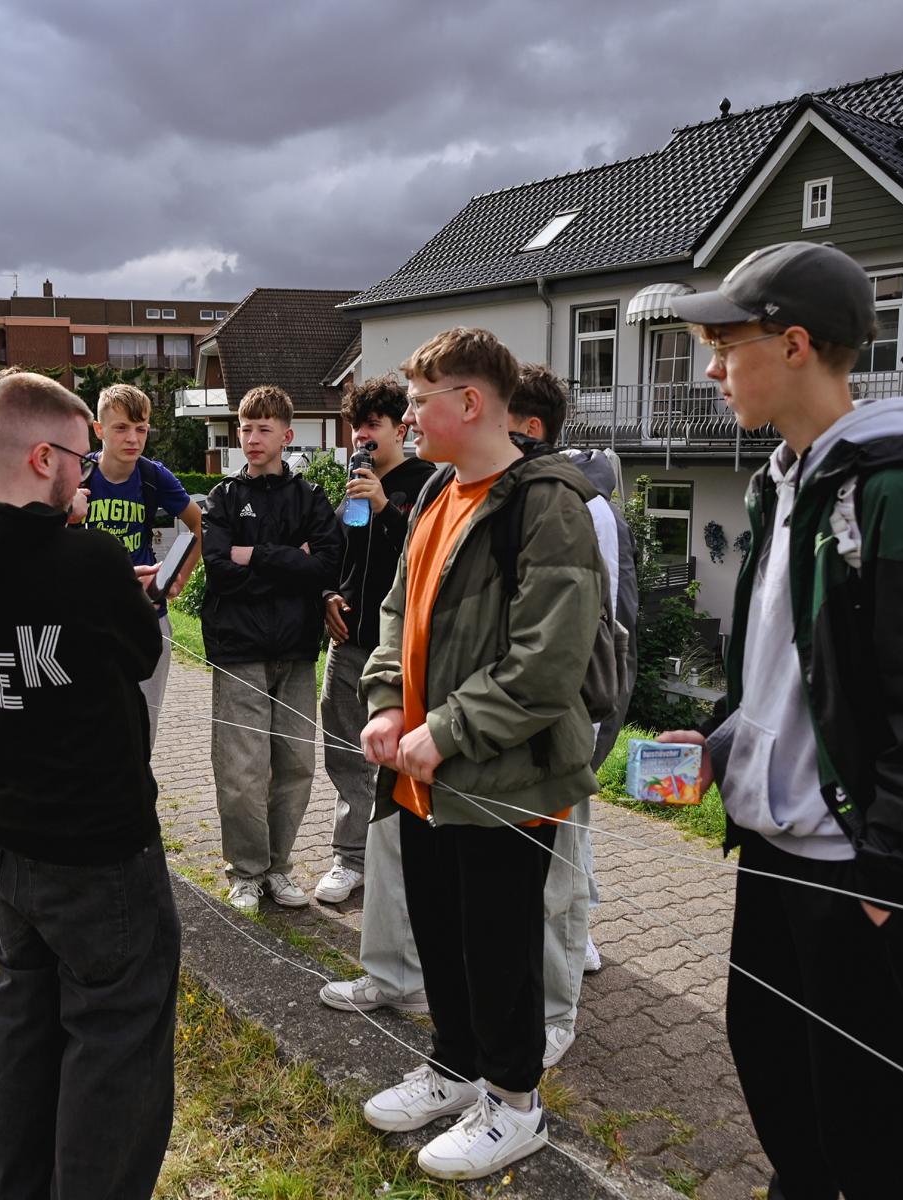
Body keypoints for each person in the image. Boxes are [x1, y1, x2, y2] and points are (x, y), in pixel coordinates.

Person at [659, 242, 903, 1200]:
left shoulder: (894, 492)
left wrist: (894, 871)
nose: (711, 371)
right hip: (777, 852)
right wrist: (721, 741)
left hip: (855, 864)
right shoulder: (784, 482)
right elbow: (787, 674)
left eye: (724, 347)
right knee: (776, 1071)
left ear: (795, 344)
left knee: (875, 1121)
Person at [0, 369, 179, 1200]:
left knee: (26, 1024)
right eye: (77, 457)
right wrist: (103, 576)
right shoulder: (85, 560)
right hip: (99, 848)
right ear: (43, 458)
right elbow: (141, 649)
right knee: (117, 1039)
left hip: (3, 837)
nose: (86, 472)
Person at [358, 328, 607, 1181]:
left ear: (469, 403)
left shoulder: (548, 503)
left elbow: (549, 661)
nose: (405, 417)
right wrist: (387, 702)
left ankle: (514, 1103)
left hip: (504, 779)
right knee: (442, 933)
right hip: (425, 775)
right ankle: (456, 1066)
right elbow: (397, 610)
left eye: (417, 400)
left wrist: (448, 729)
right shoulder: (436, 490)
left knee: (500, 948)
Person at [506, 363, 638, 1068]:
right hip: (538, 711)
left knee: (562, 857)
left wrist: (585, 718)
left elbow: (600, 622)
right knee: (556, 851)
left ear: (530, 427)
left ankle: (558, 1006)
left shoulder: (582, 507)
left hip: (568, 709)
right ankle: (562, 951)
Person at [201, 385, 342, 911]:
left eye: (264, 429)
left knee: (296, 765)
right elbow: (219, 570)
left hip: (297, 651)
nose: (252, 438)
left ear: (287, 435)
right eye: (245, 428)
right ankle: (246, 871)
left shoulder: (310, 499)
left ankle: (279, 868)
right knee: (242, 771)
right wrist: (289, 559)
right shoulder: (222, 498)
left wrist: (254, 555)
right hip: (239, 650)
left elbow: (325, 565)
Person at [315, 376, 437, 907]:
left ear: (399, 429)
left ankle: (399, 862)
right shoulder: (353, 483)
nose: (362, 437)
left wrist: (386, 506)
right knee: (345, 755)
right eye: (355, 427)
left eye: (372, 425)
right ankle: (350, 858)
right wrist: (327, 596)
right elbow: (336, 554)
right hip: (348, 644)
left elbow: (426, 556)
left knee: (396, 761)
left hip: (400, 651)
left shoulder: (427, 482)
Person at [82, 383, 203, 745]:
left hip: (146, 614)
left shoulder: (153, 476)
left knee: (141, 728)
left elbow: (200, 526)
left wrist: (180, 577)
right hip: (89, 617)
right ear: (99, 429)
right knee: (89, 725)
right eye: (121, 428)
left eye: (142, 428)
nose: (133, 438)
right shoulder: (78, 473)